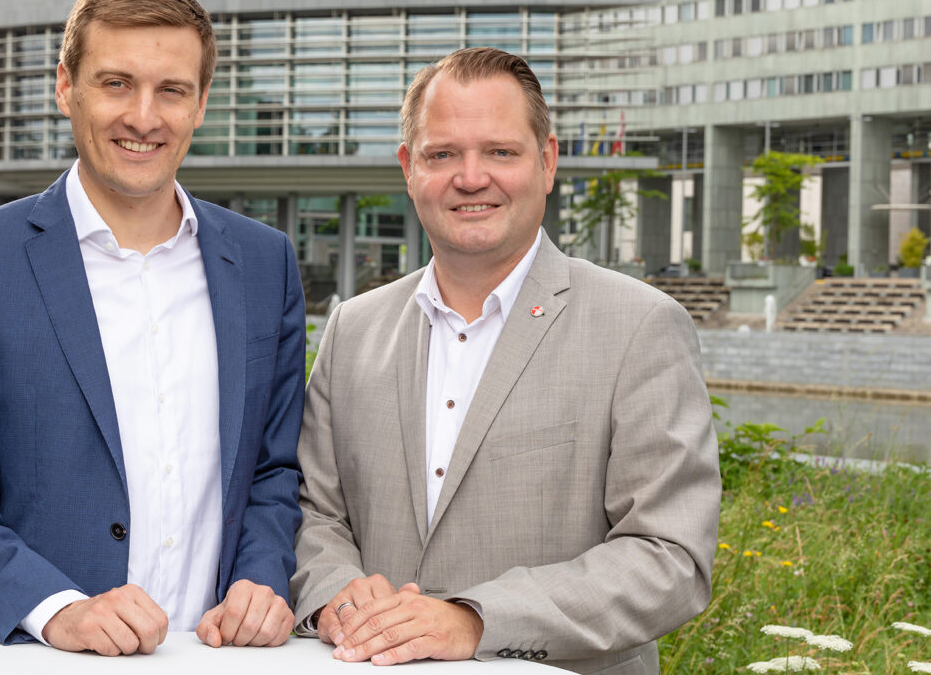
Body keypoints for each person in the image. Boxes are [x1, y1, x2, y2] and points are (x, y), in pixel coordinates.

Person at [0, 0, 305, 656]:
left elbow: (275, 469)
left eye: (171, 90)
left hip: (222, 659)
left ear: (201, 103)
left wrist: (261, 578)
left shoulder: (265, 264)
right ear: (66, 87)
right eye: (116, 83)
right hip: (40, 659)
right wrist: (56, 609)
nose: (143, 116)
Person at [290, 47, 720, 674]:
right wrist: (336, 596)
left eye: (500, 151)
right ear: (410, 169)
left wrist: (474, 619)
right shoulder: (354, 328)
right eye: (443, 154)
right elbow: (315, 513)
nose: (471, 177)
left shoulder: (640, 327)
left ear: (545, 162)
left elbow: (669, 557)